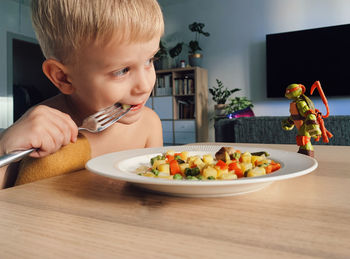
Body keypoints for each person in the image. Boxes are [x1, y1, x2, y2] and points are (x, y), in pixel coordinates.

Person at [0, 0, 164, 188]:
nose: (144, 86)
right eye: (122, 71)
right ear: (63, 78)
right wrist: (4, 146)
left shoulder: (150, 126)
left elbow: (157, 188)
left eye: (149, 60)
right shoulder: (35, 131)